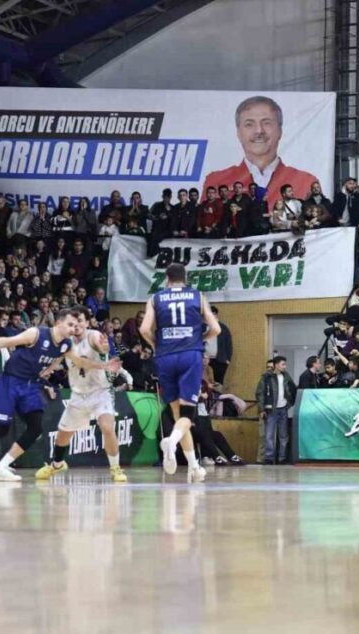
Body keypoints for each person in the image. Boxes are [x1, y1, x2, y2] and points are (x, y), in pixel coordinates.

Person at [0, 309, 78, 481]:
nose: (73, 328)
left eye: (75, 326)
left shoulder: (66, 344)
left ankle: (1, 467)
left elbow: (61, 358)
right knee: (1, 429)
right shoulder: (36, 334)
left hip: (31, 385)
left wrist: (48, 371)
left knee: (36, 427)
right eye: (70, 324)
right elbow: (7, 341)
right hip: (10, 381)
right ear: (58, 323)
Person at [138, 263, 222, 481]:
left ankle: (194, 466)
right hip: (190, 355)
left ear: (167, 278)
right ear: (185, 278)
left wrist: (157, 345)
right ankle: (172, 443)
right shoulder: (197, 295)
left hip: (164, 356)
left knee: (177, 415)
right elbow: (216, 329)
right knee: (187, 415)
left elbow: (144, 329)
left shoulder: (155, 298)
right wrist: (199, 339)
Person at [34, 307, 127, 482]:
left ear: (86, 323)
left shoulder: (93, 335)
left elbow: (102, 347)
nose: (77, 325)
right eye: (74, 322)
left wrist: (105, 347)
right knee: (63, 435)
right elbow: (57, 359)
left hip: (100, 392)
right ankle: (57, 464)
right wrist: (47, 370)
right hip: (78, 394)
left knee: (107, 427)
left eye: (81, 321)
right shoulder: (66, 340)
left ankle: (116, 468)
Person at [201, 96, 319, 210]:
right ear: (238, 132)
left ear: (280, 130)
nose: (259, 131)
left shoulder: (306, 181)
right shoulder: (216, 181)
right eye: (249, 124)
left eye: (266, 122)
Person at [257, 357, 296, 464]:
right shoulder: (266, 377)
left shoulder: (286, 376)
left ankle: (282, 458)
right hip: (271, 410)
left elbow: (293, 389)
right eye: (283, 364)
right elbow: (260, 393)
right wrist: (261, 409)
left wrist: (289, 403)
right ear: (277, 365)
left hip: (283, 409)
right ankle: (269, 458)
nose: (285, 366)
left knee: (283, 436)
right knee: (269, 435)